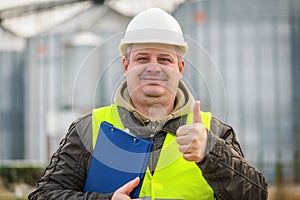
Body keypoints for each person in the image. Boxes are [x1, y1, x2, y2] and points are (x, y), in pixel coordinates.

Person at [28, 8, 268, 200]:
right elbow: (44, 195)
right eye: (143, 58)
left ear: (180, 68)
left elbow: (257, 195)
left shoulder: (213, 132)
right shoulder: (89, 128)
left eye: (164, 59)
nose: (154, 67)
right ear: (126, 66)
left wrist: (211, 152)